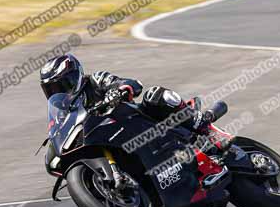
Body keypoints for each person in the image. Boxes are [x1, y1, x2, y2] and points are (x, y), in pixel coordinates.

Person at [39, 54, 232, 150]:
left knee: (155, 95)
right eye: (53, 90)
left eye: (63, 85)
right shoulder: (63, 111)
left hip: (136, 121)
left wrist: (119, 91)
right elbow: (57, 132)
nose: (60, 92)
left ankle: (206, 128)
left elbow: (131, 84)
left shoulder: (95, 80)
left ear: (76, 76)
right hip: (114, 142)